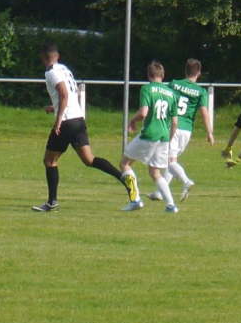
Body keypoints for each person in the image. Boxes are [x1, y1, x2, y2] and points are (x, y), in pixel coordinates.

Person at [32, 43, 135, 212]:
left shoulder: (51, 72)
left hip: (66, 122)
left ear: (43, 57)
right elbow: (71, 94)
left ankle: (52, 202)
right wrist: (55, 107)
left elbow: (64, 94)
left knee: (50, 161)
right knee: (90, 159)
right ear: (57, 56)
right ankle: (125, 180)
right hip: (78, 119)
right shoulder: (64, 69)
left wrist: (58, 119)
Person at [147, 59, 214, 203]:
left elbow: (164, 98)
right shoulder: (201, 91)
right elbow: (204, 112)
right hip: (187, 130)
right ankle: (160, 193)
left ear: (185, 71)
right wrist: (209, 132)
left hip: (173, 126)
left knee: (168, 160)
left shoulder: (174, 84)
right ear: (199, 73)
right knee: (172, 159)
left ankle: (186, 181)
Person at [120, 61, 179, 213]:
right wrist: (169, 138)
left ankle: (135, 200)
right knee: (155, 172)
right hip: (164, 137)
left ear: (148, 75)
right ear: (163, 75)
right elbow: (174, 122)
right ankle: (171, 205)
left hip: (149, 134)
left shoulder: (147, 89)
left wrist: (132, 121)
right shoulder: (172, 93)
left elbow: (143, 113)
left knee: (125, 164)